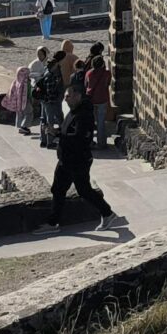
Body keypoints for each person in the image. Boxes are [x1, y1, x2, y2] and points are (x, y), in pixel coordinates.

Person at [49, 84, 118, 230]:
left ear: (77, 96)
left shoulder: (84, 115)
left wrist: (57, 134)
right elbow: (66, 130)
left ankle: (107, 213)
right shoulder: (73, 111)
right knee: (58, 189)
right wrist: (57, 131)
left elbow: (79, 138)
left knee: (84, 190)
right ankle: (53, 222)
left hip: (77, 159)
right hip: (66, 159)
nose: (65, 99)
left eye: (68, 96)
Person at [83, 51, 113, 152]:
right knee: (101, 123)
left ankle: (90, 142)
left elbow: (86, 85)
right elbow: (108, 83)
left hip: (91, 99)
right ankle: (102, 143)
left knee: (90, 122)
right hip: (102, 99)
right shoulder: (107, 73)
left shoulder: (89, 73)